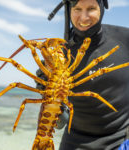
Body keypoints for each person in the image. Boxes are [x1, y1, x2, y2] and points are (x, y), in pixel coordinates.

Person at [36, 0, 129, 149]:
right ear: (69, 10)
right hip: (74, 142)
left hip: (120, 139)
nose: (84, 17)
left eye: (91, 8)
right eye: (77, 9)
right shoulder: (60, 52)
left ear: (102, 8)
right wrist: (47, 96)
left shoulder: (124, 38)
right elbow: (59, 122)